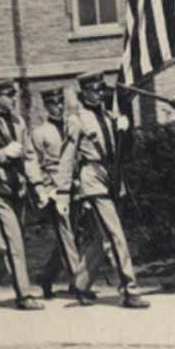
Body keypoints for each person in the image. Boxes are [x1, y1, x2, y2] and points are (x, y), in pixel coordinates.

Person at [54, 71, 150, 309]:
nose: (99, 94)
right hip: (92, 178)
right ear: (84, 92)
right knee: (115, 234)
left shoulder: (108, 116)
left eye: (100, 90)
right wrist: (62, 192)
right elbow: (67, 157)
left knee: (102, 236)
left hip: (113, 177)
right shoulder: (77, 120)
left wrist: (124, 130)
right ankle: (129, 288)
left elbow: (123, 153)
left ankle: (81, 283)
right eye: (94, 90)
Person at [0, 79, 53, 310]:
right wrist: (1, 154)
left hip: (16, 190)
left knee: (12, 244)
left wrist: (37, 185)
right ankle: (24, 295)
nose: (13, 98)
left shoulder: (18, 123)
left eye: (13, 94)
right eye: (8, 94)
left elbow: (29, 156)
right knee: (13, 243)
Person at [32, 87, 96, 303]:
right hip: (53, 191)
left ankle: (46, 276)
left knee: (71, 236)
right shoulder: (40, 133)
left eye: (60, 103)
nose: (58, 107)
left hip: (73, 187)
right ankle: (78, 285)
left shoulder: (72, 126)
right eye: (53, 104)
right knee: (66, 235)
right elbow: (36, 165)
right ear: (46, 106)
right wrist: (45, 189)